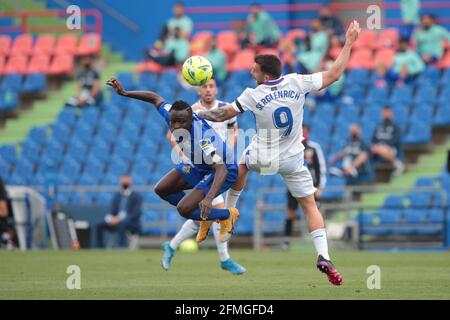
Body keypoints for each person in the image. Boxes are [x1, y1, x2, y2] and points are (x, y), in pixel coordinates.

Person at [197, 19, 362, 286]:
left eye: (254, 70)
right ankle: (324, 256)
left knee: (240, 164)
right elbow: (334, 75)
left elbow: (224, 112)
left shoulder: (253, 94)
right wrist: (350, 41)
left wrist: (200, 115)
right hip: (293, 158)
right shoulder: (298, 82)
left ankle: (229, 213)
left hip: (263, 155)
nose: (251, 73)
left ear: (265, 76)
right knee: (309, 206)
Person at [106, 77, 240, 245]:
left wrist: (208, 199)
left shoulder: (203, 139)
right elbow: (154, 98)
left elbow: (221, 169)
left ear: (191, 119)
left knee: (184, 209)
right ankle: (204, 216)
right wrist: (124, 93)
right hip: (201, 166)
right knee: (162, 189)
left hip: (223, 171)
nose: (176, 126)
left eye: (181, 122)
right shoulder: (172, 113)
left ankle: (228, 215)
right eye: (173, 122)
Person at [162, 78, 244, 274]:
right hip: (203, 167)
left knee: (202, 215)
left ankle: (171, 246)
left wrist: (229, 151)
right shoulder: (191, 111)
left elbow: (234, 130)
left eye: (211, 86)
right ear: (198, 91)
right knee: (216, 209)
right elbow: (170, 135)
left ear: (216, 89)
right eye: (204, 87)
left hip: (219, 165)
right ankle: (225, 259)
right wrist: (183, 154)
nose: (208, 90)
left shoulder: (225, 108)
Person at [284, 124, 326, 250]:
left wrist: (320, 186)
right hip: (293, 185)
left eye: (305, 131)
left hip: (311, 187)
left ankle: (320, 241)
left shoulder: (313, 148)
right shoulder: (292, 147)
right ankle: (286, 241)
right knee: (290, 213)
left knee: (315, 211)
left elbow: (321, 167)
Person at [96, 176, 143, 248]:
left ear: (130, 183)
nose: (125, 184)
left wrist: (120, 219)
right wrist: (111, 219)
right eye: (123, 182)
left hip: (132, 223)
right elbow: (112, 210)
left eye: (126, 182)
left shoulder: (136, 197)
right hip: (116, 221)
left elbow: (135, 213)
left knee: (122, 224)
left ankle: (122, 246)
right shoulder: (117, 196)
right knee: (99, 225)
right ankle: (99, 247)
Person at [371, 106, 404, 177]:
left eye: (388, 112)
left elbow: (396, 140)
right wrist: (376, 146)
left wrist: (384, 145)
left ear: (391, 113)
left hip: (391, 149)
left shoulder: (395, 126)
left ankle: (397, 164)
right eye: (384, 112)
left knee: (382, 148)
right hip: (378, 149)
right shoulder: (378, 126)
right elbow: (373, 140)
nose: (386, 114)